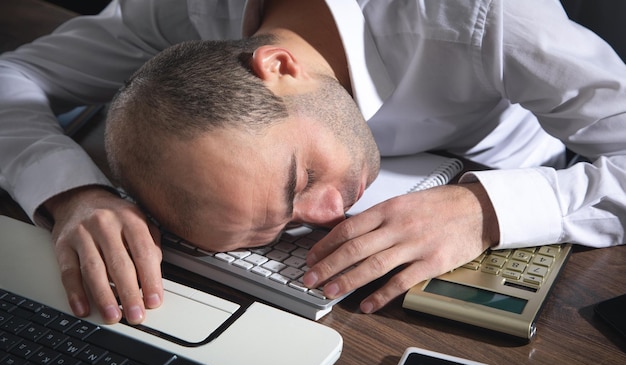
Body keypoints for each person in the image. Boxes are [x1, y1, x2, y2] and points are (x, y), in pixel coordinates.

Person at [1, 0, 625, 326]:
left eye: (298, 180)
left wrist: (485, 211)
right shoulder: (177, 17)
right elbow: (13, 73)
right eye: (284, 226)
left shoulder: (484, 15)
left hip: (540, 196)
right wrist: (76, 195)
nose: (333, 216)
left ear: (277, 65)